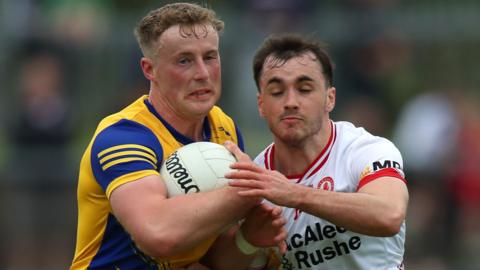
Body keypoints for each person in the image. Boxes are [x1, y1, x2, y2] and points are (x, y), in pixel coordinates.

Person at [71, 3, 286, 270]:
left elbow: (211, 262)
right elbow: (157, 234)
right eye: (184, 61)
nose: (202, 74)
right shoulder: (123, 137)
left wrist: (248, 241)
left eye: (209, 57)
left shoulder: (224, 129)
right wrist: (247, 189)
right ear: (149, 70)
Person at [225, 34, 409, 269]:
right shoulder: (258, 180)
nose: (291, 101)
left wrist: (296, 194)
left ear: (329, 99)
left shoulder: (365, 149)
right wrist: (248, 241)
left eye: (304, 89)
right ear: (261, 105)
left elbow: (389, 215)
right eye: (277, 91)